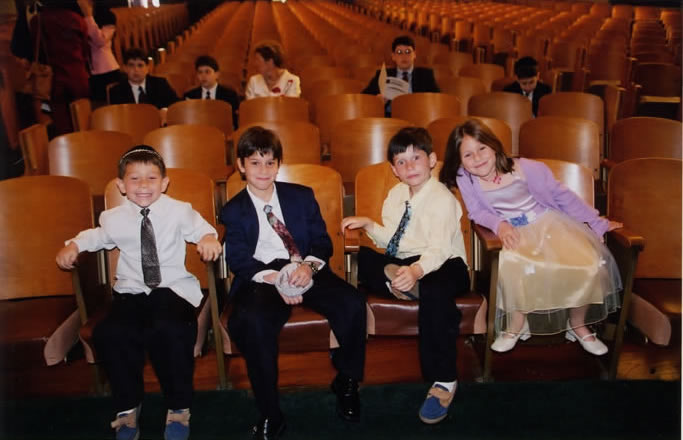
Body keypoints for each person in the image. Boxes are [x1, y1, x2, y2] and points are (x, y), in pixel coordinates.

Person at [55, 145, 222, 440]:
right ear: (121, 185)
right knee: (112, 333)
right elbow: (96, 237)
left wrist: (208, 239)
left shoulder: (179, 210)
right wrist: (74, 245)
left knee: (169, 330)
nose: (143, 185)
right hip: (131, 291)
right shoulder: (113, 217)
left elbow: (203, 229)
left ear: (164, 183)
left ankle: (178, 406)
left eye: (151, 178)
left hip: (171, 289)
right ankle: (127, 406)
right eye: (134, 179)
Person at [220, 127, 366, 439]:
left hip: (304, 264)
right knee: (253, 323)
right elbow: (239, 259)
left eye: (270, 162)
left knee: (352, 303)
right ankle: (270, 412)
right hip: (264, 276)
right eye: (255, 163)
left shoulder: (301, 196)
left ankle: (347, 380)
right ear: (241, 165)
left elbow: (322, 242)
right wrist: (278, 280)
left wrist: (308, 268)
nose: (263, 170)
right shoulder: (233, 210)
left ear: (278, 164)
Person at [439, 119, 622, 355]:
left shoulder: (528, 169)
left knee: (589, 263)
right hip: (513, 232)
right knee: (513, 264)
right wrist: (500, 225)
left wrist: (596, 221)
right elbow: (476, 212)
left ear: (494, 146)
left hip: (548, 225)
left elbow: (564, 197)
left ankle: (577, 324)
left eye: (482, 148)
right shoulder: (466, 177)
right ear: (459, 160)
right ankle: (517, 323)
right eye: (468, 155)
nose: (477, 158)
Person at [341, 127, 469, 425]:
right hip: (406, 260)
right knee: (365, 257)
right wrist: (369, 224)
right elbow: (392, 241)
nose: (409, 166)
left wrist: (415, 271)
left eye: (416, 158)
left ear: (432, 160)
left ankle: (444, 379)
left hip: (446, 264)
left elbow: (438, 250)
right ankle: (401, 281)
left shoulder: (442, 198)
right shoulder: (396, 194)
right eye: (401, 161)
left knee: (435, 291)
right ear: (394, 170)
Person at [29, 0, 90, 135]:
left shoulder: (37, 21)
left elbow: (37, 50)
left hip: (54, 78)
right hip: (78, 76)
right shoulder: (77, 19)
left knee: (62, 124)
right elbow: (85, 50)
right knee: (84, 118)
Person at [362, 35, 439, 116]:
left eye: (408, 52)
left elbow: (437, 99)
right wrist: (377, 100)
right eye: (399, 52)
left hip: (418, 117)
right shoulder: (383, 75)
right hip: (391, 118)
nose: (404, 56)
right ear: (393, 56)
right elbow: (364, 97)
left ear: (414, 54)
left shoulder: (425, 75)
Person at [77, 0, 122, 106]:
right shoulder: (76, 15)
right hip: (85, 71)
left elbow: (100, 40)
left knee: (109, 107)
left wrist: (88, 17)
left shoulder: (107, 16)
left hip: (105, 70)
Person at [109, 48, 179, 109]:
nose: (136, 70)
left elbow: (176, 105)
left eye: (140, 65)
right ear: (125, 68)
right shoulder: (116, 91)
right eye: (131, 65)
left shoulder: (160, 84)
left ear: (148, 68)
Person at [183, 55, 240, 129]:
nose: (203, 76)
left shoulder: (230, 95)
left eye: (207, 72)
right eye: (200, 72)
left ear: (217, 74)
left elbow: (234, 122)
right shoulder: (190, 96)